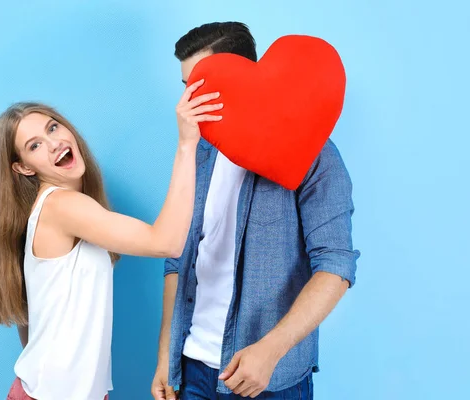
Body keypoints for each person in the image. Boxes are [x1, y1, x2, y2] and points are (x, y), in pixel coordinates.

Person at [151, 22, 360, 400]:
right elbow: (176, 256)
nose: (185, 105)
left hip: (269, 380)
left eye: (198, 87)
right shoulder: (196, 152)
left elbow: (336, 266)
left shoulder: (316, 155)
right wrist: (166, 353)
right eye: (185, 90)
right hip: (193, 369)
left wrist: (271, 350)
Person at [0, 80, 223, 400]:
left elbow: (30, 320)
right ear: (24, 168)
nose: (53, 143)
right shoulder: (61, 206)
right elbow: (166, 242)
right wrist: (187, 144)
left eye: (53, 128)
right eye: (34, 145)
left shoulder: (50, 210)